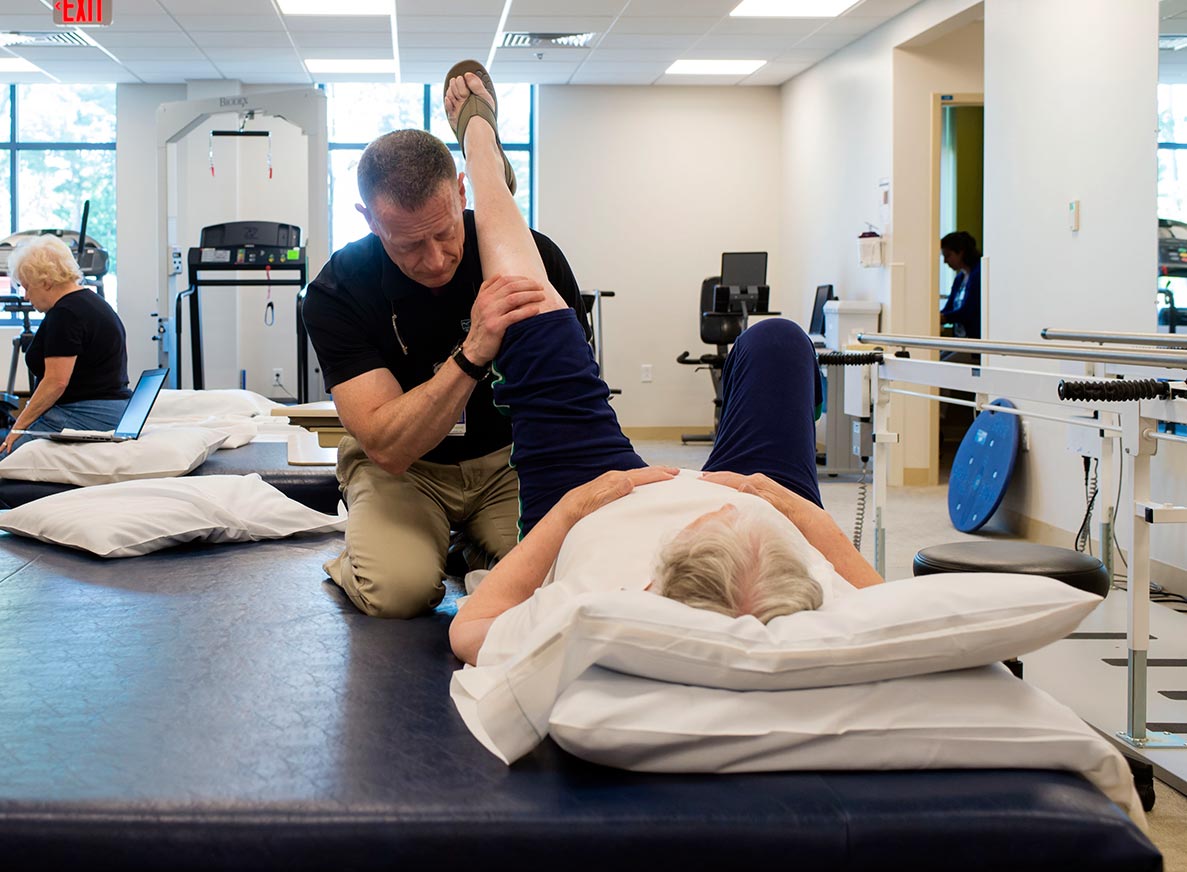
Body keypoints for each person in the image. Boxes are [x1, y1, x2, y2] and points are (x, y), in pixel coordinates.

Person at [440, 64, 883, 668]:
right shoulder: (810, 611)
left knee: (522, 302)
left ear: (650, 588)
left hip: (599, 502)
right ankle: (485, 156)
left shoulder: (596, 615)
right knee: (779, 340)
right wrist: (770, 499)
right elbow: (887, 606)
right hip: (768, 508)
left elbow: (472, 627)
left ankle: (481, 150)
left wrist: (577, 507)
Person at [301, 92, 589, 619]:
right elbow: (388, 445)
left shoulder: (534, 254)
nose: (434, 259)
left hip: (507, 463)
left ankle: (470, 548)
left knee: (557, 577)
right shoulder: (338, 290)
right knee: (398, 593)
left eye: (444, 232)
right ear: (368, 219)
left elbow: (568, 400)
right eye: (407, 244)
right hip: (406, 471)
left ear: (461, 191)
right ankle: (373, 551)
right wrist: (475, 347)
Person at [1, 235, 131, 454]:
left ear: (46, 281)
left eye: (27, 287)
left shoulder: (65, 314)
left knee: (7, 456)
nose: (26, 297)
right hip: (115, 411)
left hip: (87, 413)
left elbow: (55, 382)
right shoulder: (93, 302)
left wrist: (18, 429)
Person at [939, 230, 982, 339]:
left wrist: (942, 318)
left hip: (973, 338)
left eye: (948, 256)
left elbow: (968, 310)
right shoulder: (960, 278)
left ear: (961, 252)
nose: (945, 261)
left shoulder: (979, 274)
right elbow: (949, 307)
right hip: (960, 338)